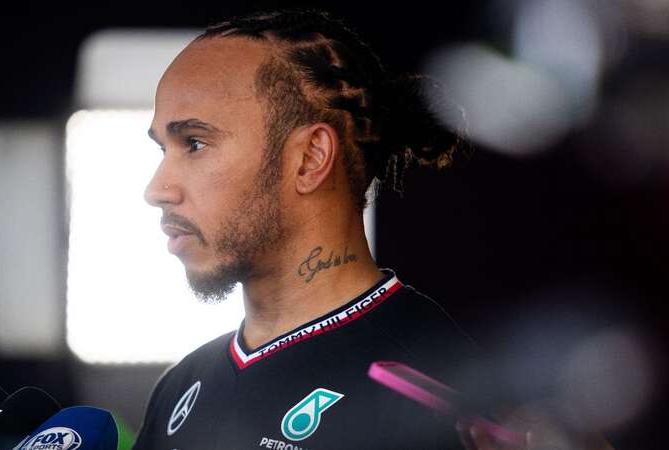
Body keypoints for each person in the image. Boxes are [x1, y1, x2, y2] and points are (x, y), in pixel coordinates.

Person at [133, 8, 586, 450]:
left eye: (194, 143)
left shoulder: (439, 389)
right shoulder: (179, 388)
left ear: (310, 158)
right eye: (163, 149)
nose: (157, 189)